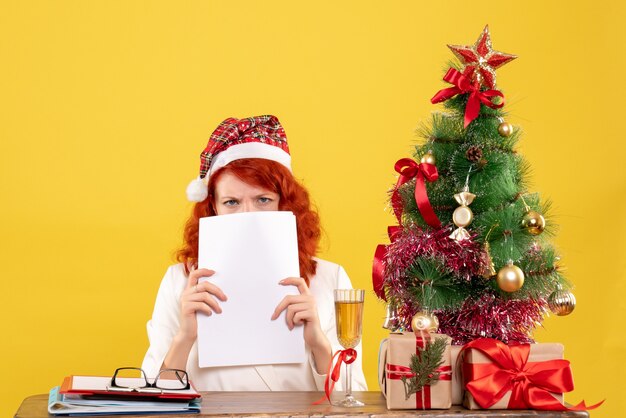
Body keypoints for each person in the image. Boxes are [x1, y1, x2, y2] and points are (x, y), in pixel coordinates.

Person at [142, 115, 367, 391]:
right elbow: (152, 395)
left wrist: (318, 344)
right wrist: (185, 336)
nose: (247, 215)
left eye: (263, 200)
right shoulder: (180, 281)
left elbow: (353, 397)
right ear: (213, 208)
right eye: (231, 202)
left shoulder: (330, 278)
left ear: (286, 205)